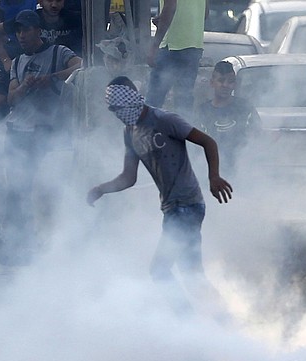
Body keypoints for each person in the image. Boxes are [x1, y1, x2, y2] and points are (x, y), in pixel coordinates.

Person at [87, 76, 233, 287]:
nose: (117, 114)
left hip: (188, 205)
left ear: (131, 100)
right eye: (113, 110)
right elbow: (128, 177)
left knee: (160, 270)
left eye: (119, 107)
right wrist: (102, 189)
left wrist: (214, 176)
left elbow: (208, 142)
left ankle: (187, 318)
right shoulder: (129, 132)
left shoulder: (164, 120)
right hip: (171, 208)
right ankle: (213, 317)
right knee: (190, 271)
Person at [1, 8, 80, 265]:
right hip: (18, 133)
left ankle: (51, 245)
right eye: (18, 30)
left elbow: (80, 67)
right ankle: (19, 245)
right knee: (16, 191)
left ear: (38, 30)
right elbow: (11, 96)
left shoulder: (58, 52)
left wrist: (50, 79)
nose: (21, 35)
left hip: (46, 133)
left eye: (26, 29)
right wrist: (24, 86)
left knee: (46, 192)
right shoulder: (17, 62)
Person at [195, 60, 260, 175]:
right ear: (212, 83)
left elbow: (257, 136)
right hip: (210, 171)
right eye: (221, 80)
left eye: (230, 82)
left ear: (235, 84)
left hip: (242, 170)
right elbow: (196, 146)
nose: (225, 85)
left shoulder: (245, 108)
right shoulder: (202, 111)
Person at [146, 0, 206, 116]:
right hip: (194, 46)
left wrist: (154, 46)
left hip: (172, 46)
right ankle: (183, 133)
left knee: (153, 102)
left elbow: (170, 6)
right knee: (183, 102)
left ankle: (145, 133)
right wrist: (165, 18)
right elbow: (205, 13)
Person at [0, 0, 82, 70]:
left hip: (68, 69)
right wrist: (6, 60)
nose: (54, 5)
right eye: (49, 0)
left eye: (58, 1)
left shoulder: (75, 19)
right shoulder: (29, 18)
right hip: (35, 71)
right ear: (40, 1)